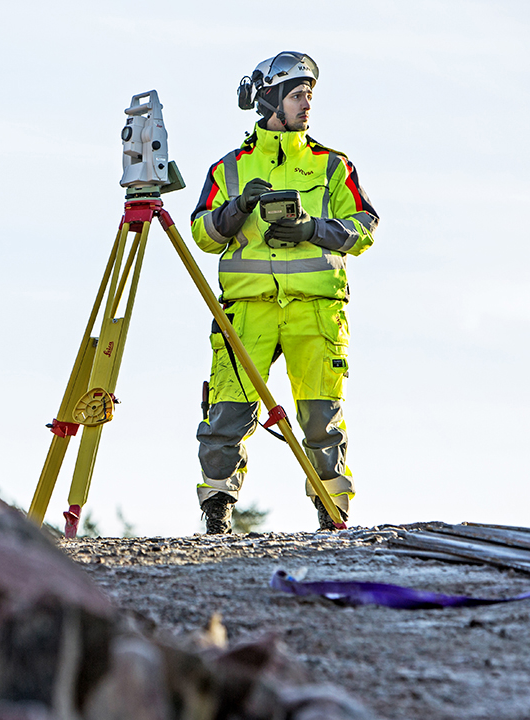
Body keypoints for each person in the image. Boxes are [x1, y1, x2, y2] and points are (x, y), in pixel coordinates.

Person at [189, 51, 378, 533]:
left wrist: (314, 229)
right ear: (270, 98)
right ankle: (217, 513)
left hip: (316, 313)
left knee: (321, 421)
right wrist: (236, 208)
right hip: (247, 311)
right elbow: (203, 233)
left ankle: (333, 515)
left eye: (309, 95)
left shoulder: (333, 166)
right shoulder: (227, 168)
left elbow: (365, 227)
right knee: (226, 416)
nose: (307, 104)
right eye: (297, 95)